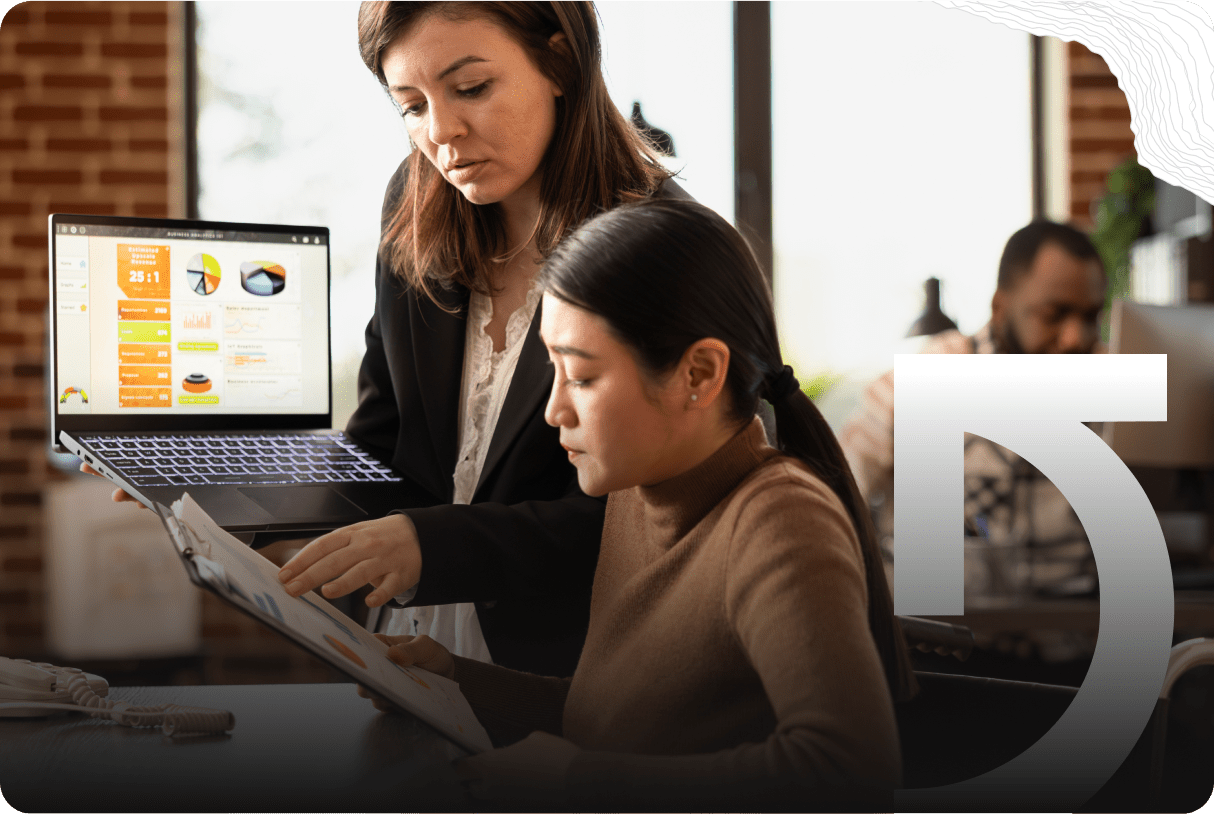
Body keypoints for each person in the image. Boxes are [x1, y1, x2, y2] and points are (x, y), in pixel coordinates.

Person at [90, 1, 688, 678]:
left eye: (471, 89)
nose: (443, 133)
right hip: (402, 657)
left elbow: (659, 521)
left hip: (569, 677)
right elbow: (384, 443)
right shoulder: (416, 199)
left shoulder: (665, 245)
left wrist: (431, 545)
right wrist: (234, 500)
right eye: (410, 105)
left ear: (558, 60)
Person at [364, 198, 916, 808]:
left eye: (582, 377)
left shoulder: (780, 520)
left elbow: (848, 770)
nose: (554, 411)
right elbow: (610, 720)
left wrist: (577, 781)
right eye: (552, 372)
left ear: (699, 375)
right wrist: (454, 679)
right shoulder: (636, 490)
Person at [840, 219, 1107, 672]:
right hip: (944, 661)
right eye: (1055, 314)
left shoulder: (1106, 381)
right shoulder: (927, 377)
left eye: (1090, 316)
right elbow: (833, 493)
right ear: (1000, 308)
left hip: (1076, 660)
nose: (1076, 338)